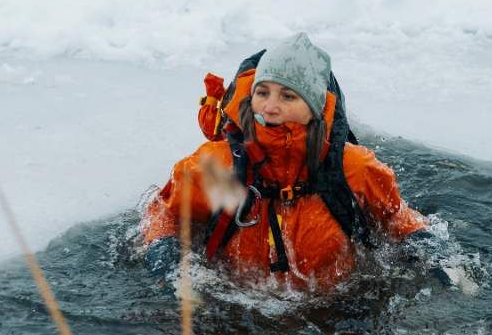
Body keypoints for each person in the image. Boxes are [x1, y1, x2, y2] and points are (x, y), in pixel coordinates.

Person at [141, 33, 426, 289]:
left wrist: (429, 251)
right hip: (239, 314)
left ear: (314, 109)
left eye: (288, 96)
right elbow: (165, 212)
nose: (270, 106)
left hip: (339, 315)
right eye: (262, 92)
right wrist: (164, 255)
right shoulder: (220, 166)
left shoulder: (353, 168)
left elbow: (396, 218)